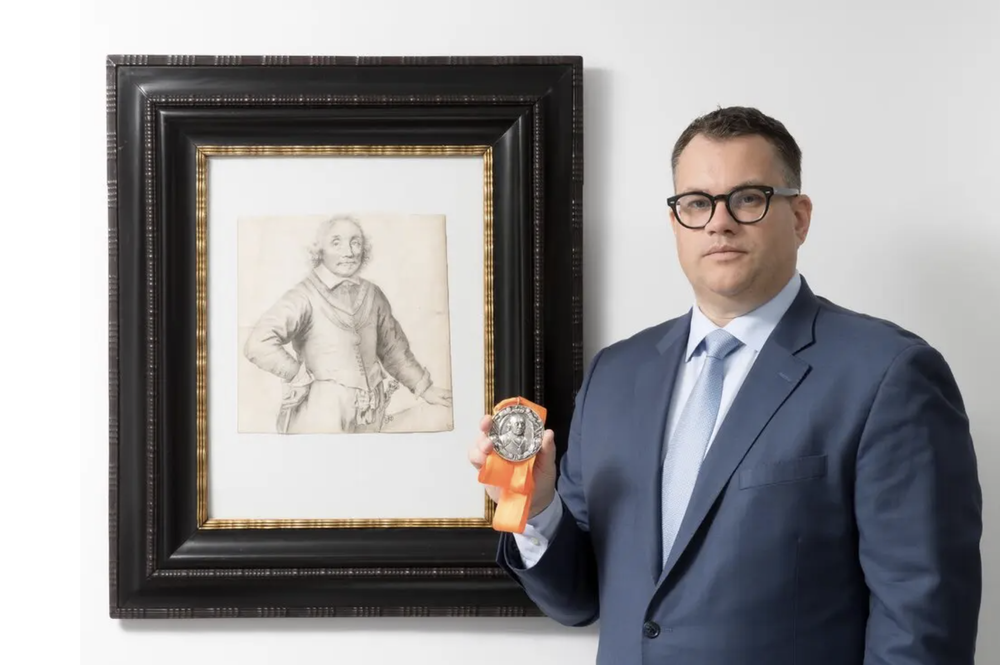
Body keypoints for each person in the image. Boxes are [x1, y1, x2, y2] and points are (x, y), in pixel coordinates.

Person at [469, 106, 982, 664]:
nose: (719, 222)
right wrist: (536, 506)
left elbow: (922, 623)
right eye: (696, 203)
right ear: (676, 223)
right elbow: (574, 601)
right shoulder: (615, 375)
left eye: (748, 198)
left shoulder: (889, 374)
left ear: (800, 217)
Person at [244, 214, 452, 433]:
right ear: (319, 250)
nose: (349, 252)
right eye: (337, 243)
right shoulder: (303, 295)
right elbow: (258, 343)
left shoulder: (373, 293)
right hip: (320, 413)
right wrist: (297, 375)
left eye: (355, 242)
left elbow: (393, 349)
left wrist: (423, 386)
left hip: (371, 413)